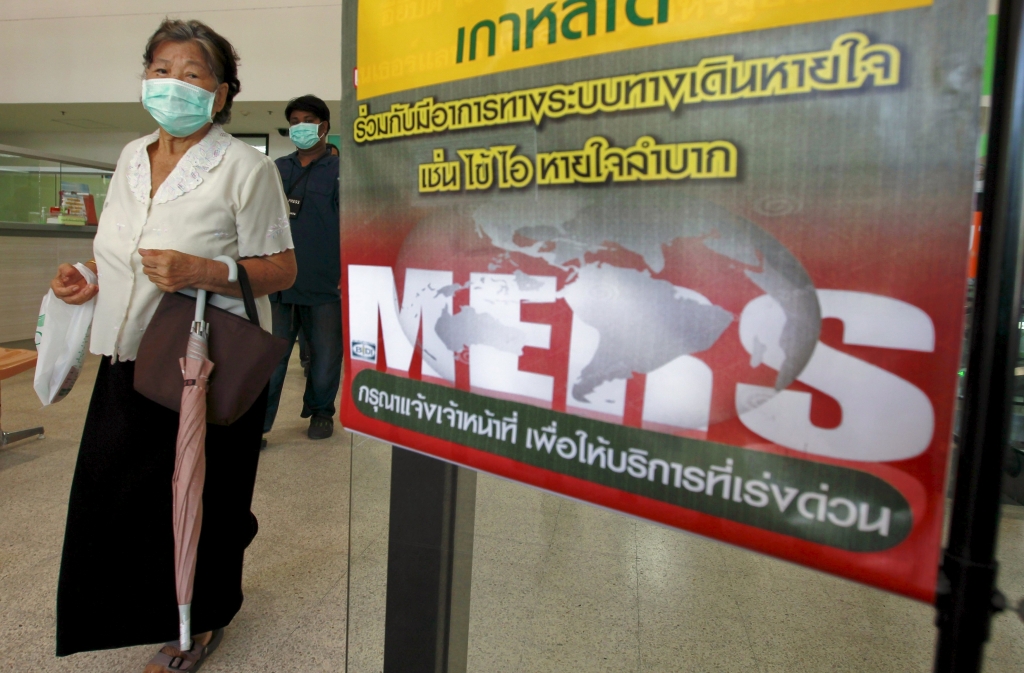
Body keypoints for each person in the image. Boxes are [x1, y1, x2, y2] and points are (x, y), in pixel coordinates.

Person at [50, 19, 296, 673]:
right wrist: (89, 279)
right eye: (162, 69)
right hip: (127, 356)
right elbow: (125, 252)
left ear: (220, 94)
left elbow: (281, 268)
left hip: (203, 361)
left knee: (203, 497)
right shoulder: (131, 158)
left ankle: (198, 621)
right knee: (118, 497)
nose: (173, 84)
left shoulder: (246, 168)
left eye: (192, 74)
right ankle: (148, 608)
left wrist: (203, 271)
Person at [263, 95, 342, 443]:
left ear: (324, 127)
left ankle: (321, 412)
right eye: (294, 121)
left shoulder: (342, 172)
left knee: (325, 354)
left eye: (307, 120)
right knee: (270, 358)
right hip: (279, 280)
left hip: (326, 282)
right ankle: (258, 423)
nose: (300, 127)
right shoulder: (276, 170)